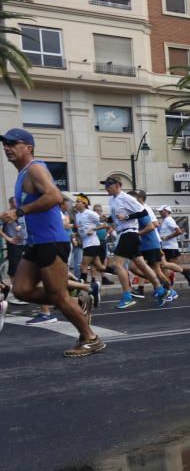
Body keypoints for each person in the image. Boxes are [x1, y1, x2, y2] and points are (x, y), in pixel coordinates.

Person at [0, 128, 104, 356]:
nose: (6, 148)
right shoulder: (22, 174)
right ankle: (76, 299)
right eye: (4, 144)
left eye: (12, 143)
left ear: (28, 147)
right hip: (35, 243)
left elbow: (54, 197)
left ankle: (91, 338)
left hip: (51, 242)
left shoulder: (35, 168)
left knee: (58, 296)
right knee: (21, 290)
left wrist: (18, 212)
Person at [102, 176, 166, 309]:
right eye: (105, 185)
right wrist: (107, 219)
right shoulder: (112, 200)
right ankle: (160, 289)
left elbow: (142, 212)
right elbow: (116, 218)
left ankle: (127, 296)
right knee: (141, 264)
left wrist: (127, 217)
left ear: (118, 185)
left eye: (109, 185)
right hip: (125, 233)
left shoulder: (126, 198)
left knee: (117, 265)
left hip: (129, 233)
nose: (106, 187)